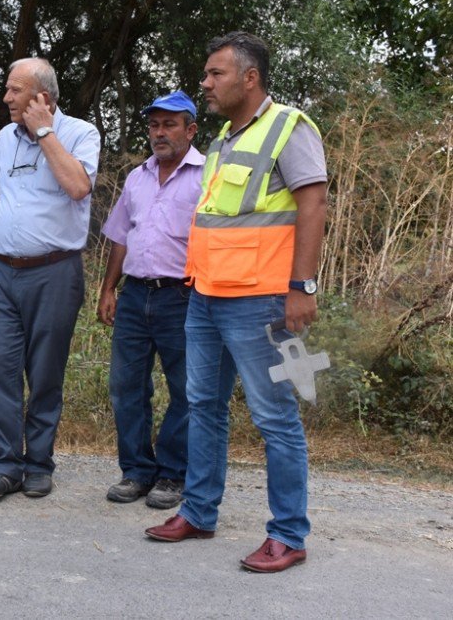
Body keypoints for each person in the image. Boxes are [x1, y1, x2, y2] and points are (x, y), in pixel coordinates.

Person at [145, 32, 328, 574]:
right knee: (203, 407)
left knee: (275, 418)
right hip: (205, 296)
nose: (205, 83)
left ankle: (288, 535)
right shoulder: (225, 137)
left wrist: (303, 288)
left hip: (262, 301)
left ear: (249, 78)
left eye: (214, 74)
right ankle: (199, 512)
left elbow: (313, 207)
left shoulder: (289, 129)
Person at [0, 58, 101, 500]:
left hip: (54, 272)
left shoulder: (81, 133)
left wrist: (45, 132)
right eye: (7, 90)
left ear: (41, 96)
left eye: (15, 90)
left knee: (45, 372)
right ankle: (5, 466)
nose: (6, 98)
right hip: (2, 274)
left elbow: (78, 187)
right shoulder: (4, 138)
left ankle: (39, 463)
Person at [97, 90, 203, 510]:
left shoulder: (206, 175)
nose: (159, 133)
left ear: (190, 130)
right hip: (135, 295)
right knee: (126, 387)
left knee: (187, 390)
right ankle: (137, 471)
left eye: (169, 124)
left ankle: (173, 474)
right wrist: (108, 288)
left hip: (182, 296)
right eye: (154, 125)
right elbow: (122, 236)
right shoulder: (137, 177)